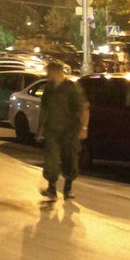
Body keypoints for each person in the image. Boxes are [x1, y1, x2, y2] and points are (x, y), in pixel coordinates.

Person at [38, 60, 89, 201]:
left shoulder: (71, 87)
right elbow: (44, 110)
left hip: (70, 131)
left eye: (49, 71)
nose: (47, 74)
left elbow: (83, 108)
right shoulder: (48, 89)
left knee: (70, 160)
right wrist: (40, 130)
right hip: (52, 131)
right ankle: (52, 188)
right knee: (51, 160)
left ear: (57, 71)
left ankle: (67, 189)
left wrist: (84, 128)